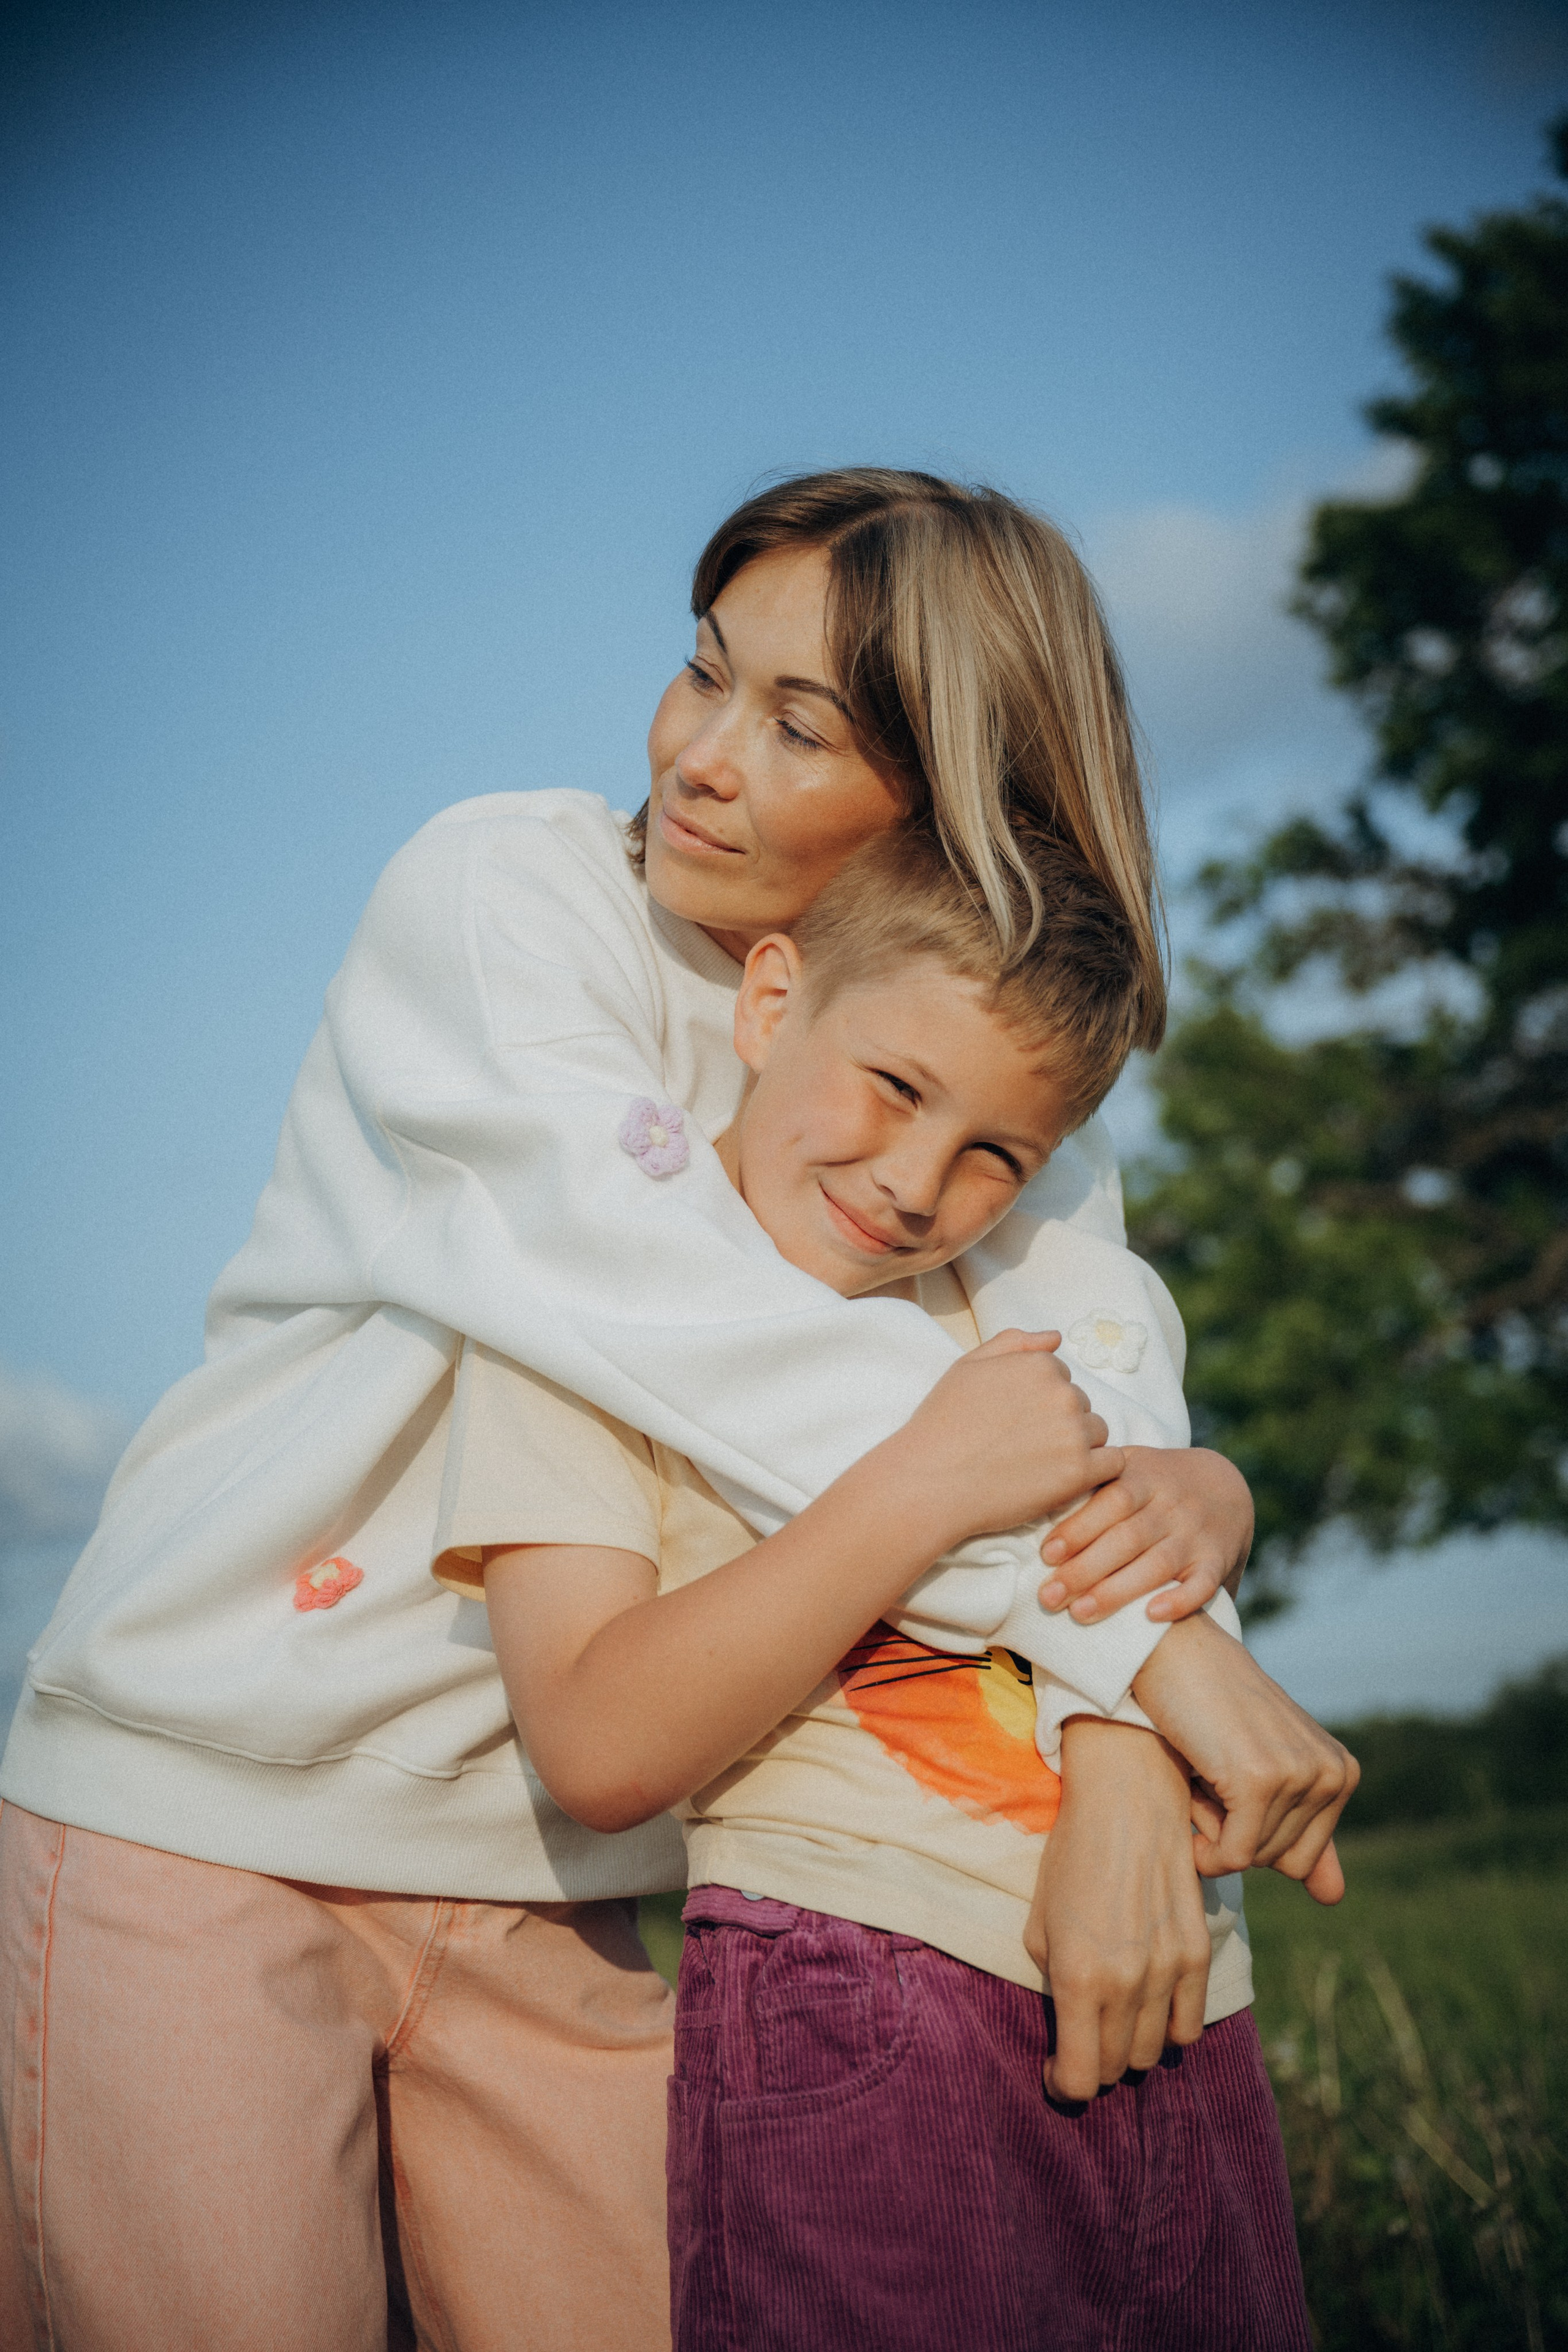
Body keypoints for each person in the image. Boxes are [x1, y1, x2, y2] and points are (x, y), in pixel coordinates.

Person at [0, 471, 1350, 2352]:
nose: (704, 758)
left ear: (950, 796)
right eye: (706, 674)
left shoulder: (981, 1071)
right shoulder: (509, 895)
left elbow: (1088, 1409)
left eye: (799, 726)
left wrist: (1131, 1716)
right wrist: (1148, 1656)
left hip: (582, 1881)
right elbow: (665, 1304)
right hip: (211, 1800)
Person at [459, 824, 1324, 2351]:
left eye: (998, 1153)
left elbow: (1126, 1552)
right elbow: (597, 1746)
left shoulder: (1033, 1305)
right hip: (854, 1995)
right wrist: (926, 1480)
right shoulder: (577, 1314)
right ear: (771, 998)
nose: (918, 1184)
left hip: (1185, 1989)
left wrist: (1207, 1498)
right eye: (896, 1087)